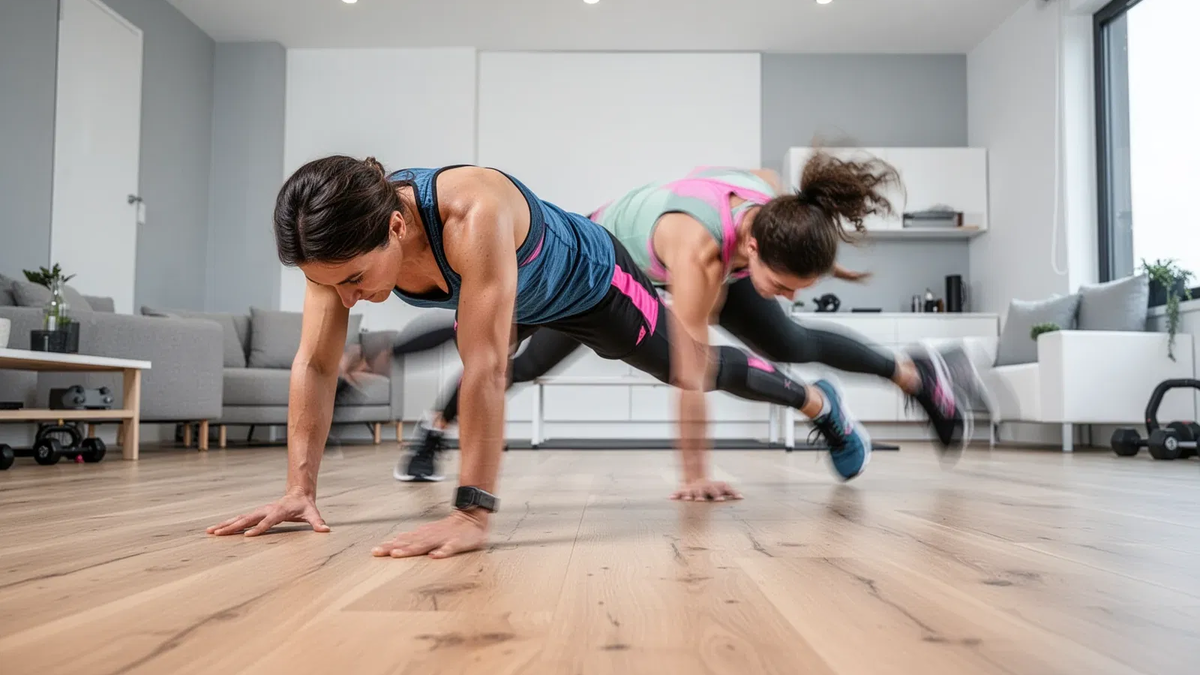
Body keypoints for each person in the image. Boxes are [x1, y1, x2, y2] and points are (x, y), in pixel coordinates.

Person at [206, 156, 869, 559]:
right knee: (483, 350)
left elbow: (486, 368)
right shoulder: (331, 250)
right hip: (517, 293)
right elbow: (316, 365)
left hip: (593, 284)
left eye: (354, 279)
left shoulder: (471, 213)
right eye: (331, 284)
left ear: (397, 226)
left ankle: (817, 399)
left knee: (691, 366)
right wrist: (299, 488)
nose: (346, 296)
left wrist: (472, 512)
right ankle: (425, 436)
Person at [387, 156, 983, 493]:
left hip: (705, 256)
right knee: (514, 357)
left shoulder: (774, 208)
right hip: (593, 272)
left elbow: (760, 178)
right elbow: (688, 372)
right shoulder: (698, 252)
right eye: (783, 284)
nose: (787, 295)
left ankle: (915, 374)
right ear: (753, 246)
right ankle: (435, 430)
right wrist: (697, 475)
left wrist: (779, 274)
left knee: (789, 337)